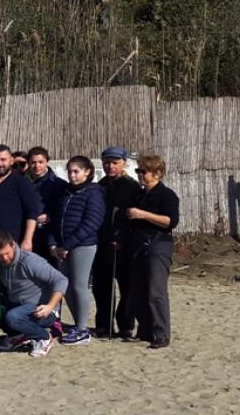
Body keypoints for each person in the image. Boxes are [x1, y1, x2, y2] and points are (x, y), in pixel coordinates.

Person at [47, 156, 106, 346]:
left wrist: (68, 245)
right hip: (62, 247)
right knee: (65, 286)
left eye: (76, 171)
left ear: (87, 171)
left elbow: (91, 222)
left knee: (79, 285)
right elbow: (55, 220)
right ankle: (77, 324)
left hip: (83, 245)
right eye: (69, 171)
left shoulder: (94, 193)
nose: (72, 175)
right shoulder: (65, 193)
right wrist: (53, 244)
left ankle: (82, 330)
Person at [0, 230, 68, 359]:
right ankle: (18, 335)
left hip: (41, 309)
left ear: (13, 245)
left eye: (7, 253)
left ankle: (44, 337)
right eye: (0, 255)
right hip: (17, 304)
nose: (5, 258)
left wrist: (50, 306)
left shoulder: (29, 261)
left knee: (13, 317)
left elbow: (61, 280)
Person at [124, 155, 179, 349]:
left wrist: (143, 214)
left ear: (157, 173)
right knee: (138, 290)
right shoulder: (139, 195)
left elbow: (170, 221)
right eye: (138, 171)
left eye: (143, 171)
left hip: (159, 243)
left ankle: (161, 334)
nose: (139, 174)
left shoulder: (167, 195)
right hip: (138, 244)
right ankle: (145, 330)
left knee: (156, 291)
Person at [92, 146, 142, 339]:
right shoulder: (99, 186)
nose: (110, 166)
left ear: (124, 163)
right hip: (101, 244)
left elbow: (134, 217)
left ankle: (126, 325)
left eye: (115, 162)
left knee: (127, 289)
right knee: (102, 288)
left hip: (125, 245)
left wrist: (122, 237)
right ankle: (104, 325)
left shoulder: (132, 187)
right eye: (107, 162)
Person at [26, 146, 66, 260]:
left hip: (50, 236)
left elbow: (65, 208)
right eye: (33, 162)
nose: (37, 166)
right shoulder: (23, 183)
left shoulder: (58, 184)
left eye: (40, 162)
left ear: (47, 162)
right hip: (28, 235)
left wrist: (50, 216)